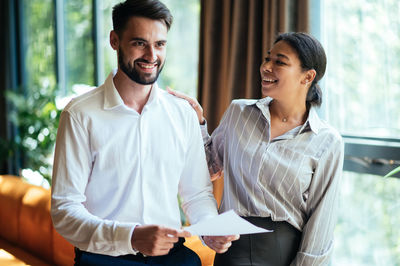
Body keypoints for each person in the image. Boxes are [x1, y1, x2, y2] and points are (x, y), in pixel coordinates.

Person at [50, 1, 237, 265]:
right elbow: (64, 211)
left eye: (159, 44)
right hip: (104, 260)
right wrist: (131, 237)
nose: (151, 55)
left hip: (174, 258)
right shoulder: (80, 115)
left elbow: (196, 194)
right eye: (140, 43)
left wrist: (210, 230)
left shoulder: (182, 114)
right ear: (115, 40)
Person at [168, 32, 344, 266]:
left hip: (285, 255)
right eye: (267, 59)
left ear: (308, 76)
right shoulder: (238, 112)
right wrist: (198, 123)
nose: (266, 67)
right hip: (232, 251)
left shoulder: (327, 141)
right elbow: (208, 167)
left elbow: (321, 226)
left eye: (279, 62)